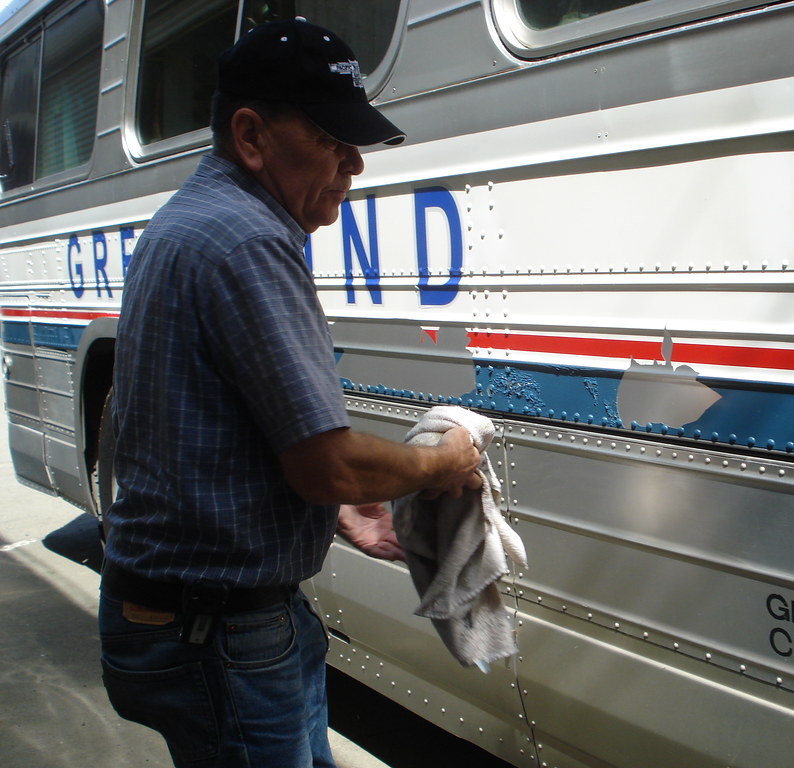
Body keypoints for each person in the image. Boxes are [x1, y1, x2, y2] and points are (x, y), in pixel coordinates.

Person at [98, 18, 481, 768]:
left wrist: (338, 509)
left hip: (205, 618)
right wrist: (442, 464)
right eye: (332, 142)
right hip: (217, 633)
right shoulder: (248, 239)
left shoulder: (191, 223)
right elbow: (326, 464)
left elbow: (202, 430)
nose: (353, 167)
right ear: (251, 135)